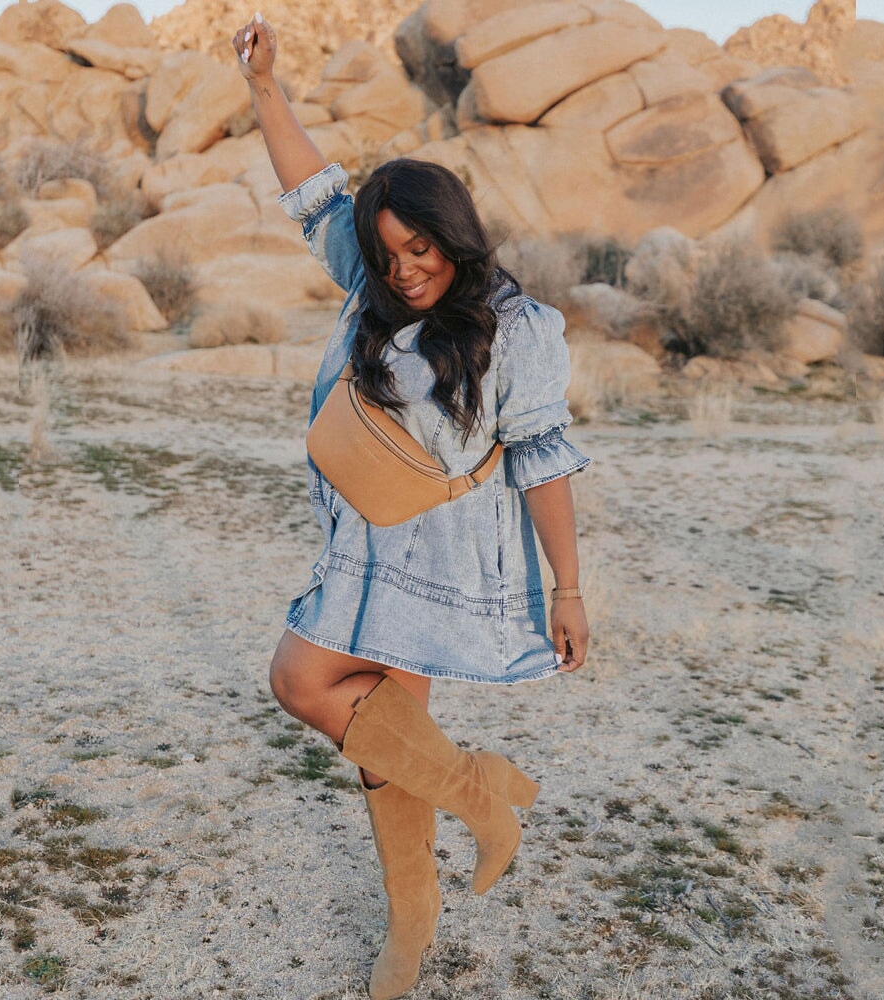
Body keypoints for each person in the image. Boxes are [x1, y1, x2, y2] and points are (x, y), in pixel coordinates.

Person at [234, 13, 590, 1000]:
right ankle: (434, 883)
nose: (405, 270)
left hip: (441, 553)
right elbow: (314, 192)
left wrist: (568, 586)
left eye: (420, 248)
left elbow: (544, 458)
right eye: (388, 254)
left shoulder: (518, 328)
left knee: (304, 681)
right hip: (363, 543)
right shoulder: (375, 290)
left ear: (454, 234)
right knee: (384, 744)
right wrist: (265, 88)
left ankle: (464, 827)